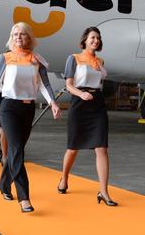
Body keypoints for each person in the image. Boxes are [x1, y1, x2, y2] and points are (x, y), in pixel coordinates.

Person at [0, 22, 62, 213]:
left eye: (23, 34)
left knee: (16, 152)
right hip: (8, 107)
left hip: (28, 108)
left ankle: (3, 184)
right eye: (15, 34)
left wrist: (53, 102)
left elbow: (44, 83)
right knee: (17, 150)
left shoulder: (36, 59)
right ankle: (24, 197)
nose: (19, 37)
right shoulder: (6, 58)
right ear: (12, 37)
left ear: (29, 38)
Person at [57, 27, 117, 206]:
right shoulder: (73, 58)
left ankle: (104, 191)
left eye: (98, 38)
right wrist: (81, 94)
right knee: (73, 147)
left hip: (97, 104)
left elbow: (100, 84)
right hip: (80, 102)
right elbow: (68, 85)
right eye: (92, 37)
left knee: (102, 148)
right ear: (85, 40)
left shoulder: (100, 61)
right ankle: (64, 177)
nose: (95, 40)